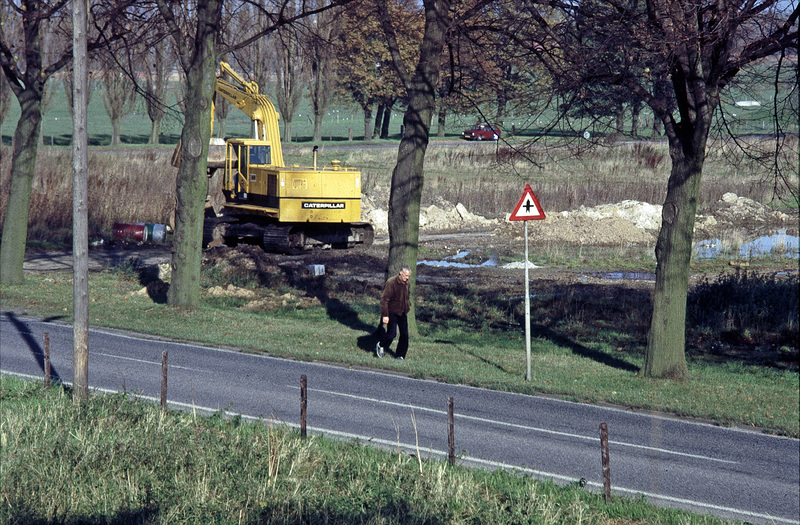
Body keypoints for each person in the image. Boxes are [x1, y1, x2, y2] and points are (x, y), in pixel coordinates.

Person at [376, 265, 412, 360]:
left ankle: (400, 355)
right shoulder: (391, 282)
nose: (407, 278)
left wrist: (408, 306)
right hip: (392, 312)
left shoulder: (407, 284)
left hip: (403, 312)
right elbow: (384, 299)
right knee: (392, 334)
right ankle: (381, 345)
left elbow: (407, 296)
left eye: (408, 276)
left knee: (404, 335)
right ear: (401, 273)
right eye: (405, 275)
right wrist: (385, 315)